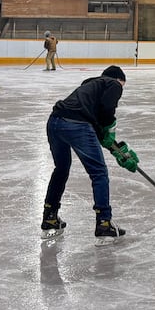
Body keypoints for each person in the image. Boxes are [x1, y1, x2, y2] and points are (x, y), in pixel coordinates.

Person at [41, 65, 138, 240]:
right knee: (99, 173)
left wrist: (114, 147)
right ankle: (104, 223)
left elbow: (95, 123)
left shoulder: (89, 87)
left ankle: (50, 218)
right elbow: (106, 112)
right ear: (118, 79)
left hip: (54, 122)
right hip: (76, 125)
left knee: (61, 169)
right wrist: (109, 132)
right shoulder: (113, 83)